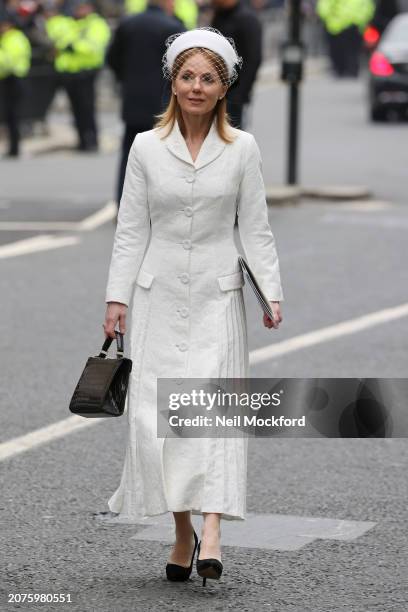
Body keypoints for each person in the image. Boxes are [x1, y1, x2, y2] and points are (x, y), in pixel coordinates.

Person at [103, 27, 284, 586]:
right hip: (157, 299)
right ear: (173, 82)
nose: (196, 87)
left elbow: (256, 228)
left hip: (217, 296)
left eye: (208, 78)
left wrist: (271, 293)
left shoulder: (242, 149)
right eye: (187, 76)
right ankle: (182, 531)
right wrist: (117, 296)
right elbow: (131, 229)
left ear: (224, 86)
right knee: (160, 422)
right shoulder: (145, 147)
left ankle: (212, 532)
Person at [105, 0, 185, 208]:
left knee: (130, 158)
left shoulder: (128, 24)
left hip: (133, 101)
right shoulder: (173, 27)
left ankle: (124, 205)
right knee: (166, 159)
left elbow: (112, 59)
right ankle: (160, 208)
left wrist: (127, 80)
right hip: (163, 102)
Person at [45, 0, 110, 150]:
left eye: (82, 7)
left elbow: (93, 45)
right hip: (68, 72)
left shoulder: (96, 24)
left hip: (86, 72)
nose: (78, 10)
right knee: (75, 108)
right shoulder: (70, 22)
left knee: (87, 108)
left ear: (90, 8)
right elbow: (56, 36)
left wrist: (73, 47)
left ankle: (92, 140)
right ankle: (82, 140)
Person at [211, 0, 262, 129]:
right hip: (217, 90)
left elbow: (253, 58)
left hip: (234, 94)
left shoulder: (246, 18)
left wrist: (240, 94)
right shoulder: (219, 14)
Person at [0, 5, 31, 157]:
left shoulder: (14, 38)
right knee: (9, 116)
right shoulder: (9, 38)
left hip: (15, 79)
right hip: (8, 79)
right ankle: (13, 147)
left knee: (14, 115)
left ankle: (15, 147)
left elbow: (7, 61)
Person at [316, 0, 375, 77]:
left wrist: (359, 20)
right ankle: (340, 70)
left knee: (352, 51)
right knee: (337, 51)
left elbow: (367, 8)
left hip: (352, 26)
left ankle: (351, 70)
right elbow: (323, 7)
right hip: (335, 26)